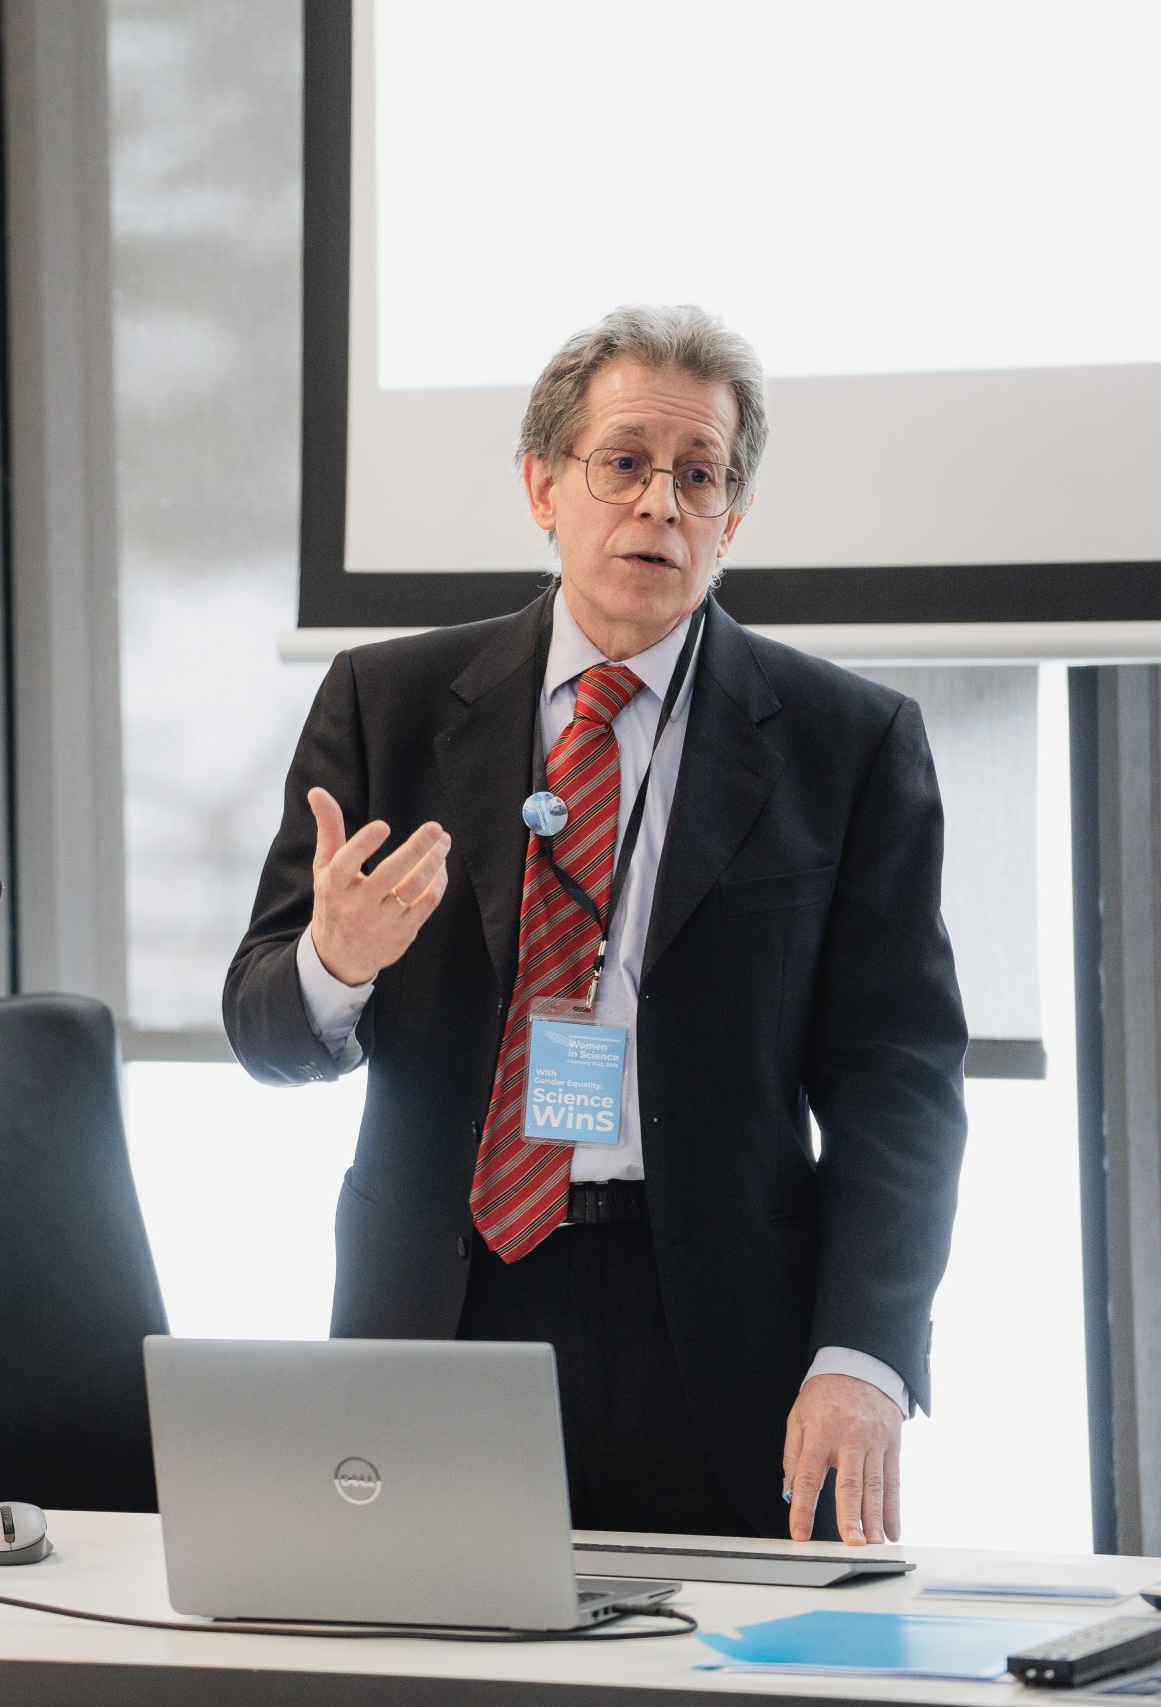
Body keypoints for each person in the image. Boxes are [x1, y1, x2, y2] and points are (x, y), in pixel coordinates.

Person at [224, 305, 967, 1545]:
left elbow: (900, 1082)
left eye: (697, 475)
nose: (658, 505)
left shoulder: (847, 743)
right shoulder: (388, 703)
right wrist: (333, 964)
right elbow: (264, 1032)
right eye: (622, 462)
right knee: (425, 1642)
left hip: (727, 1337)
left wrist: (864, 1353)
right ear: (541, 485)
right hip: (446, 1306)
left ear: (732, 516)